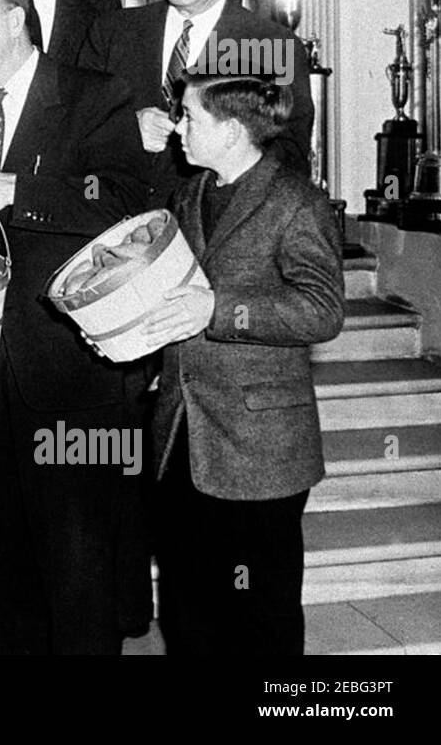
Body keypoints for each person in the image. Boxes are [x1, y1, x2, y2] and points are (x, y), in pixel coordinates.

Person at [0, 0, 147, 654]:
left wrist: (18, 190)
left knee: (80, 571)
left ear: (16, 16)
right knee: (3, 564)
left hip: (74, 377)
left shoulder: (95, 96)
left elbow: (123, 206)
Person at [143, 75, 344, 654]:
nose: (178, 128)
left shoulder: (294, 200)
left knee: (261, 609)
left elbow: (322, 311)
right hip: (183, 433)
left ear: (231, 131)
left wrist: (218, 312)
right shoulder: (189, 194)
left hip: (261, 446)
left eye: (189, 118)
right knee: (187, 602)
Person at [78, 0, 315, 211]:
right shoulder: (111, 33)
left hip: (212, 235)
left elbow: (290, 161)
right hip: (112, 229)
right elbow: (69, 135)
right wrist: (126, 130)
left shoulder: (273, 46)